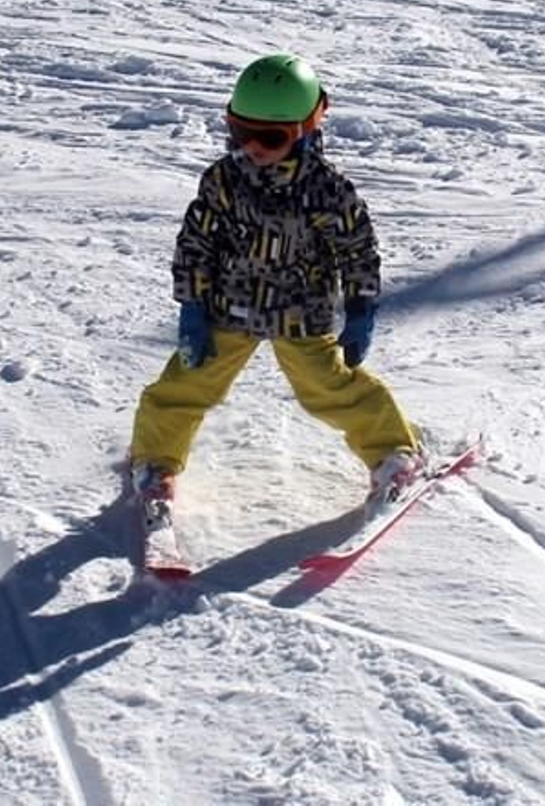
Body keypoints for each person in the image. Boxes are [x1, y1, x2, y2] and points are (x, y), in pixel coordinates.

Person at [128, 53, 423, 528]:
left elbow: (358, 248)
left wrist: (361, 304)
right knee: (183, 387)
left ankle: (394, 453)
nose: (253, 147)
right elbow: (196, 241)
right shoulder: (223, 180)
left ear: (306, 130)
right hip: (229, 308)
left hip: (301, 313)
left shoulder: (328, 190)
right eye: (240, 131)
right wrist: (192, 304)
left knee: (330, 389)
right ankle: (155, 463)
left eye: (270, 137)